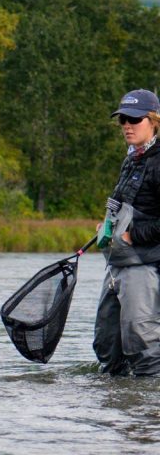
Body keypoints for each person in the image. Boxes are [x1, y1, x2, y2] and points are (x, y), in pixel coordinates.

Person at [94, 88, 160, 376]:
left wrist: (133, 236)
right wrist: (107, 226)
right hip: (117, 264)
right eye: (123, 120)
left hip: (145, 264)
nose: (127, 126)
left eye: (134, 119)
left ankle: (147, 409)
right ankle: (116, 406)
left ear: (153, 121)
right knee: (107, 344)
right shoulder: (131, 159)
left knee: (142, 343)